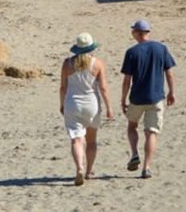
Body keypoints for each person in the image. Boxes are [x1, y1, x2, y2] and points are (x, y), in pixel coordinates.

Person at [121, 19, 176, 179]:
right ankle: (146, 167)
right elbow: (169, 72)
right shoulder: (161, 48)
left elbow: (127, 80)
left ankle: (134, 153)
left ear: (136, 33)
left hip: (137, 97)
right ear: (148, 32)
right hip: (156, 97)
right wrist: (172, 92)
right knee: (151, 132)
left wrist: (123, 99)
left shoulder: (132, 52)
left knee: (132, 126)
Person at [59, 33, 115, 186]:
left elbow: (63, 87)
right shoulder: (97, 64)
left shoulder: (67, 63)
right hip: (91, 104)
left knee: (76, 139)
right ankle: (89, 170)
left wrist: (62, 104)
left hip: (72, 103)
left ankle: (79, 168)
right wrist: (109, 107)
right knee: (91, 140)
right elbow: (103, 88)